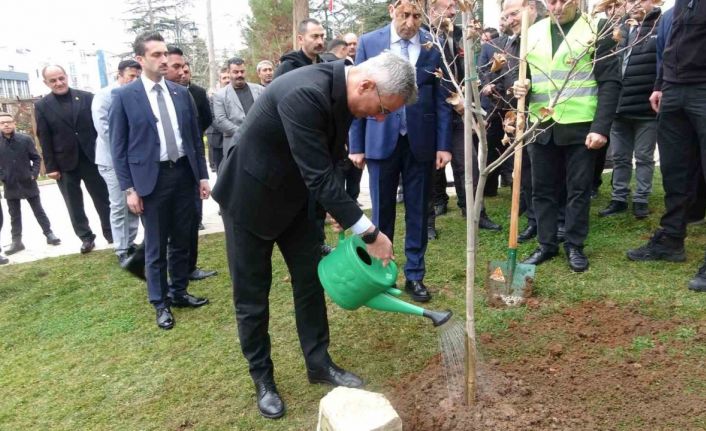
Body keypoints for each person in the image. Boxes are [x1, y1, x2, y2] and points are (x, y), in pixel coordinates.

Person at [212, 51, 413, 420]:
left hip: (297, 203)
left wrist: (338, 209)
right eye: (384, 107)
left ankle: (318, 363)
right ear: (366, 85)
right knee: (252, 296)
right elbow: (317, 173)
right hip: (249, 199)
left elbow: (327, 161)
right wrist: (367, 231)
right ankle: (263, 379)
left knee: (309, 283)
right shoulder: (303, 93)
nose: (381, 116)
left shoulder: (343, 94)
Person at [349, 0, 452, 303]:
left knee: (419, 211)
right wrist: (356, 145)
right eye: (405, 14)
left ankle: (416, 275)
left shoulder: (434, 46)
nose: (410, 22)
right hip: (380, 139)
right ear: (392, 10)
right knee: (382, 211)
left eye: (417, 15)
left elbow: (444, 98)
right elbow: (356, 92)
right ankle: (383, 272)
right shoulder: (370, 43)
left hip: (421, 142)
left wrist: (444, 144)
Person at [110, 32, 210, 330]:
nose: (164, 59)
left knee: (182, 239)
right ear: (140, 60)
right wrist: (129, 188)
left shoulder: (181, 93)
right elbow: (119, 148)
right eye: (156, 55)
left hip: (183, 175)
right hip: (150, 180)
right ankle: (160, 302)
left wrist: (202, 175)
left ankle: (178, 291)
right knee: (155, 246)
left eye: (165, 53)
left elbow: (194, 139)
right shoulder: (125, 97)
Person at [515, 0, 620, 272]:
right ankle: (546, 244)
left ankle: (574, 244)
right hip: (541, 123)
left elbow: (610, 82)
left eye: (564, 0)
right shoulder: (533, 32)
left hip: (580, 123)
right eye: (551, 1)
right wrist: (518, 87)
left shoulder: (596, 29)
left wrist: (600, 127)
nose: (557, 6)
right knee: (542, 190)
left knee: (578, 189)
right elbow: (520, 76)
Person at [626, 0, 706, 292]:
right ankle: (671, 240)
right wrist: (660, 84)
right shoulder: (680, 5)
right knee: (675, 171)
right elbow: (671, 43)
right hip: (673, 89)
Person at [34, 65, 112, 254]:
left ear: (67, 77)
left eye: (61, 78)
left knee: (103, 199)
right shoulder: (42, 106)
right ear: (46, 83)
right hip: (64, 163)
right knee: (74, 203)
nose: (59, 83)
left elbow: (98, 127)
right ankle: (86, 237)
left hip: (91, 158)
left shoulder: (87, 97)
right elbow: (44, 137)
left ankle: (111, 233)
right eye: (53, 80)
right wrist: (51, 167)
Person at [599, 0, 661, 219]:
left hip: (646, 108)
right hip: (618, 106)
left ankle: (641, 200)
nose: (634, 4)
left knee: (644, 156)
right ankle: (619, 198)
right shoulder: (620, 29)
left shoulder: (660, 26)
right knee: (620, 156)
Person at [165, 46, 216, 281]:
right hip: (162, 170)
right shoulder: (150, 96)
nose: (182, 71)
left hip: (190, 164)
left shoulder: (193, 93)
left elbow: (205, 120)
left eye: (184, 66)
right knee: (167, 224)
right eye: (177, 67)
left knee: (192, 218)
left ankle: (189, 267)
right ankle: (162, 269)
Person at [92, 60, 142, 264]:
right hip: (112, 160)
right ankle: (121, 248)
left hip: (133, 159)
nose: (135, 80)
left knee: (134, 202)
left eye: (138, 76)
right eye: (131, 76)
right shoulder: (104, 96)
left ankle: (130, 241)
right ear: (119, 75)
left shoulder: (136, 95)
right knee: (119, 204)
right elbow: (105, 131)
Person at [0, 112, 61, 254]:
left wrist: (33, 174)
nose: (6, 125)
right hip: (10, 184)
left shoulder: (25, 139)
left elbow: (36, 158)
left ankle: (49, 234)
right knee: (14, 215)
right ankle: (17, 241)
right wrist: (3, 177)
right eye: (2, 123)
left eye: (9, 122)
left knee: (38, 210)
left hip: (28, 181)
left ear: (14, 123)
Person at [212, 57, 265, 155]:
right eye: (236, 72)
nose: (240, 75)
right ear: (229, 72)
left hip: (260, 143)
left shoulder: (259, 90)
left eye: (242, 71)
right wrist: (244, 133)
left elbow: (266, 112)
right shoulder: (220, 95)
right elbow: (221, 120)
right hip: (234, 145)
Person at [206, 66, 230, 172]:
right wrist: (228, 129)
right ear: (220, 80)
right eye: (224, 78)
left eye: (229, 77)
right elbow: (212, 118)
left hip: (234, 139)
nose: (227, 80)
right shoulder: (212, 98)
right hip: (218, 140)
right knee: (221, 172)